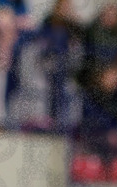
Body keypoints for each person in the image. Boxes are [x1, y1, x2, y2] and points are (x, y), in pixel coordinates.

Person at [39, 0, 84, 131]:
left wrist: (74, 21)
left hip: (65, 61)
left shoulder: (71, 23)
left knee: (62, 87)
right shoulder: (49, 20)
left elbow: (78, 39)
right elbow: (42, 38)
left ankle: (60, 120)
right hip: (50, 58)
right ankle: (51, 119)